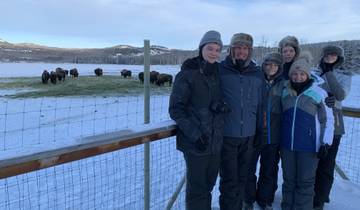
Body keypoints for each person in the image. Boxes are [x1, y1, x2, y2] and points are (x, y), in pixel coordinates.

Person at [169, 30, 230, 210]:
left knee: (209, 186)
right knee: (197, 189)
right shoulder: (187, 74)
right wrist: (195, 135)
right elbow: (176, 109)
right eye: (210, 48)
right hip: (196, 142)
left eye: (217, 50)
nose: (214, 53)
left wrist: (220, 106)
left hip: (216, 141)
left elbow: (212, 100)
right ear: (201, 48)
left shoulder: (218, 73)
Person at [280, 52, 334, 210]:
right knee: (288, 180)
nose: (298, 77)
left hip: (309, 146)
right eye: (295, 74)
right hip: (287, 146)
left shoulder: (319, 93)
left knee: (305, 182)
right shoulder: (285, 93)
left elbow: (328, 120)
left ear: (307, 74)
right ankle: (287, 206)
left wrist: (325, 142)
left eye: (302, 73)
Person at [218, 33, 263, 210]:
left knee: (244, 178)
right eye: (237, 47)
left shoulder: (257, 73)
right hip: (227, 135)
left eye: (245, 48)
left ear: (250, 51)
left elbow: (260, 105)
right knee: (229, 180)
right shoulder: (220, 69)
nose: (241, 51)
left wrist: (261, 131)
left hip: (249, 137)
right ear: (231, 49)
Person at [312, 45, 352, 210]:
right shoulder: (314, 72)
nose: (329, 57)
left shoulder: (344, 75)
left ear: (339, 57)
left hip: (334, 123)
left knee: (327, 164)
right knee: (313, 161)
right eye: (327, 54)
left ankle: (320, 198)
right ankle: (312, 193)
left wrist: (328, 73)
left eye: (333, 55)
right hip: (314, 121)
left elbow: (341, 94)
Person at [243, 52, 284, 210]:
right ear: (263, 66)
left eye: (274, 64)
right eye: (267, 64)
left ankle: (265, 199)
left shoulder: (283, 84)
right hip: (254, 134)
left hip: (273, 135)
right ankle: (248, 199)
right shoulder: (256, 80)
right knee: (249, 169)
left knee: (269, 170)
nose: (271, 67)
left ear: (279, 67)